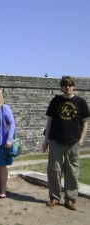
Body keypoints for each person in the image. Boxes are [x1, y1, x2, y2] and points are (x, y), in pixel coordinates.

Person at [42, 76, 89, 210]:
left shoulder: (80, 102)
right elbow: (49, 121)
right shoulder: (55, 101)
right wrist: (46, 141)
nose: (67, 88)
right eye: (65, 85)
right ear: (62, 87)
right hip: (56, 141)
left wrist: (81, 140)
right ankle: (54, 197)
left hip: (73, 142)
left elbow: (85, 122)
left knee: (72, 172)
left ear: (73, 86)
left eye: (70, 85)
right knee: (54, 171)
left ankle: (70, 199)